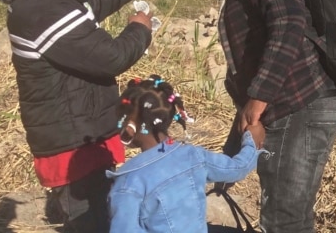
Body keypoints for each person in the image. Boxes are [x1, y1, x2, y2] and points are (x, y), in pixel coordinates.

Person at [0, 0, 172, 232]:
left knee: (102, 209)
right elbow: (111, 58)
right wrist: (140, 28)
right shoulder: (41, 9)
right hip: (70, 142)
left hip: (85, 128)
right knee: (88, 219)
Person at [202, 0, 336, 233]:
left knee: (283, 220)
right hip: (295, 109)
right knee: (291, 217)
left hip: (300, 108)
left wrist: (258, 97)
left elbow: (288, 19)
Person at [107, 74, 265, 232]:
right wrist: (251, 140)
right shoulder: (193, 156)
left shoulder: (128, 183)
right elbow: (238, 168)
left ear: (130, 126)